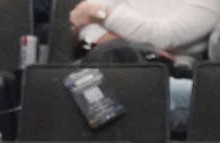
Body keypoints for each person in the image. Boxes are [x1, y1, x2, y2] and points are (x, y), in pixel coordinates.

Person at [68, 0, 220, 134]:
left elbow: (165, 35)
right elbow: (85, 26)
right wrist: (132, 44)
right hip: (107, 62)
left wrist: (102, 14)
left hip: (170, 72)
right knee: (72, 90)